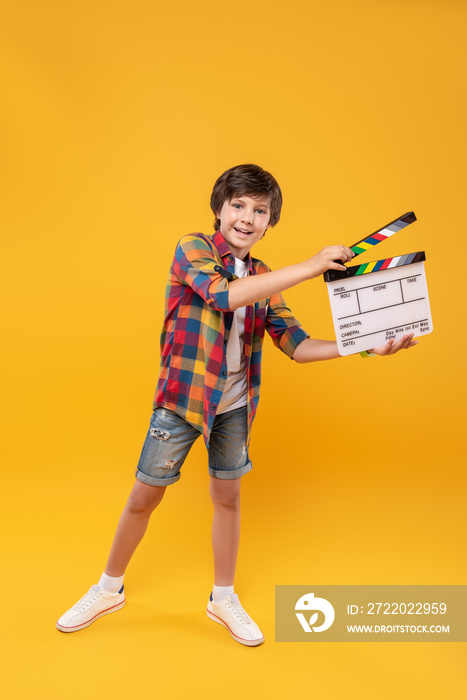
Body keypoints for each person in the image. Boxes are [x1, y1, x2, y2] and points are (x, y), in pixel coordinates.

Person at [56, 164, 417, 645]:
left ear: (270, 222)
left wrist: (366, 345)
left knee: (228, 496)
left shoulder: (267, 277)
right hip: (182, 401)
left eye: (260, 210)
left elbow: (298, 345)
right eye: (239, 205)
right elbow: (222, 295)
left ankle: (223, 598)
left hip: (235, 404)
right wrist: (312, 265)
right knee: (145, 495)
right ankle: (107, 588)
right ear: (220, 210)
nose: (247, 217)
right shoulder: (193, 249)